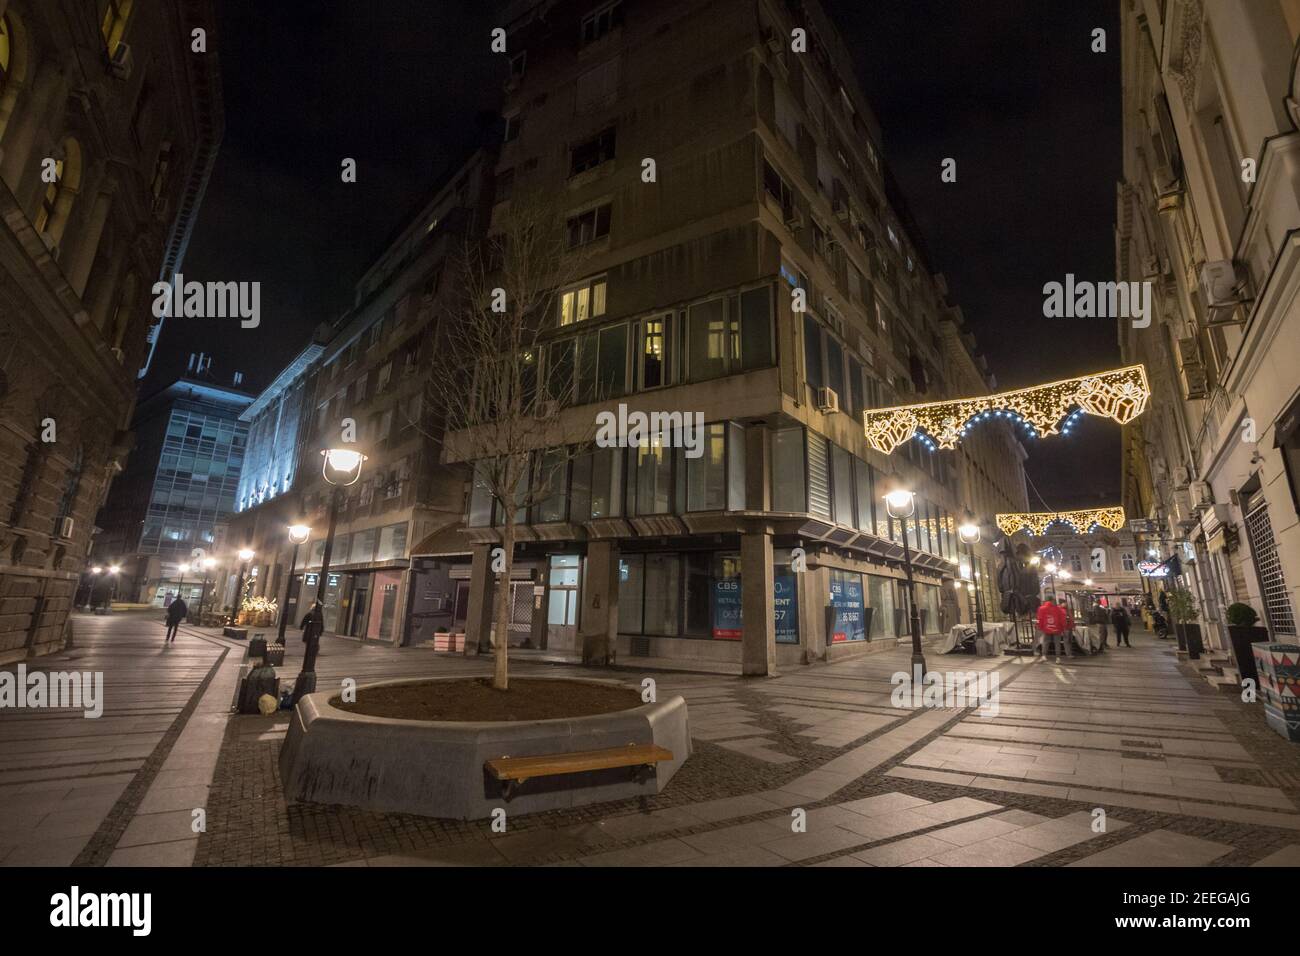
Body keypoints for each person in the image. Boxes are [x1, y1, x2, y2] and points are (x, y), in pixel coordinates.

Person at [1036, 597, 1071, 663]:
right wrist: (1064, 627)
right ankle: (1058, 658)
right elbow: (1062, 619)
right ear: (1052, 600)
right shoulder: (1058, 609)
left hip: (1046, 628)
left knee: (1045, 642)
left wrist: (1040, 627)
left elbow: (1040, 619)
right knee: (1057, 643)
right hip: (1057, 629)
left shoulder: (1041, 608)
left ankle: (1044, 656)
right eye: (1054, 600)